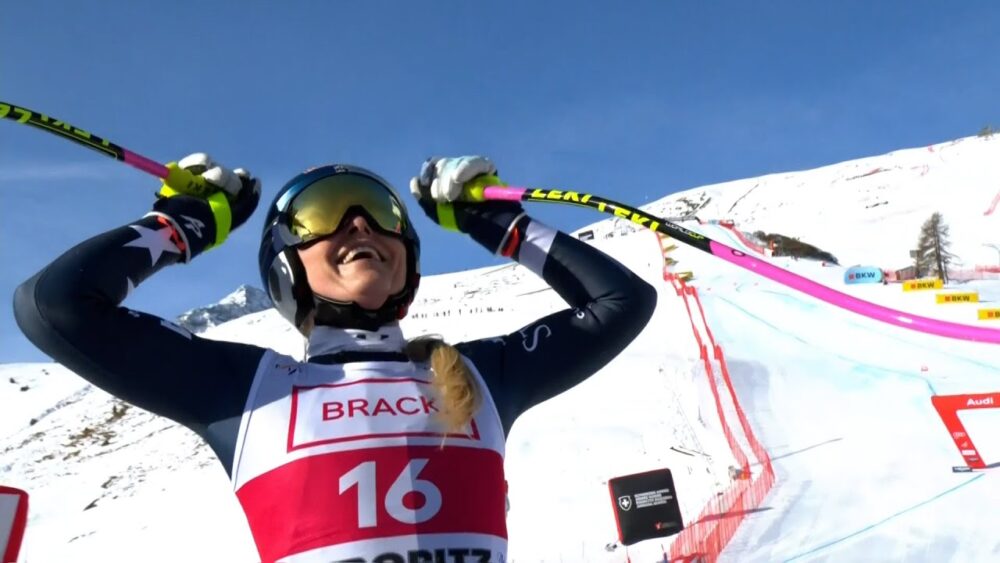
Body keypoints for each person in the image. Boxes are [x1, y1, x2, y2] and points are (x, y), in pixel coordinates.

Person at [14, 154, 657, 562]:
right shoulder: (246, 389)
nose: (360, 225)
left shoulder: (476, 377)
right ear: (284, 267)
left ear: (407, 261)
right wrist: (184, 224)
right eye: (321, 215)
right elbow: (56, 307)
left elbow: (621, 301)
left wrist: (501, 227)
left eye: (380, 214)